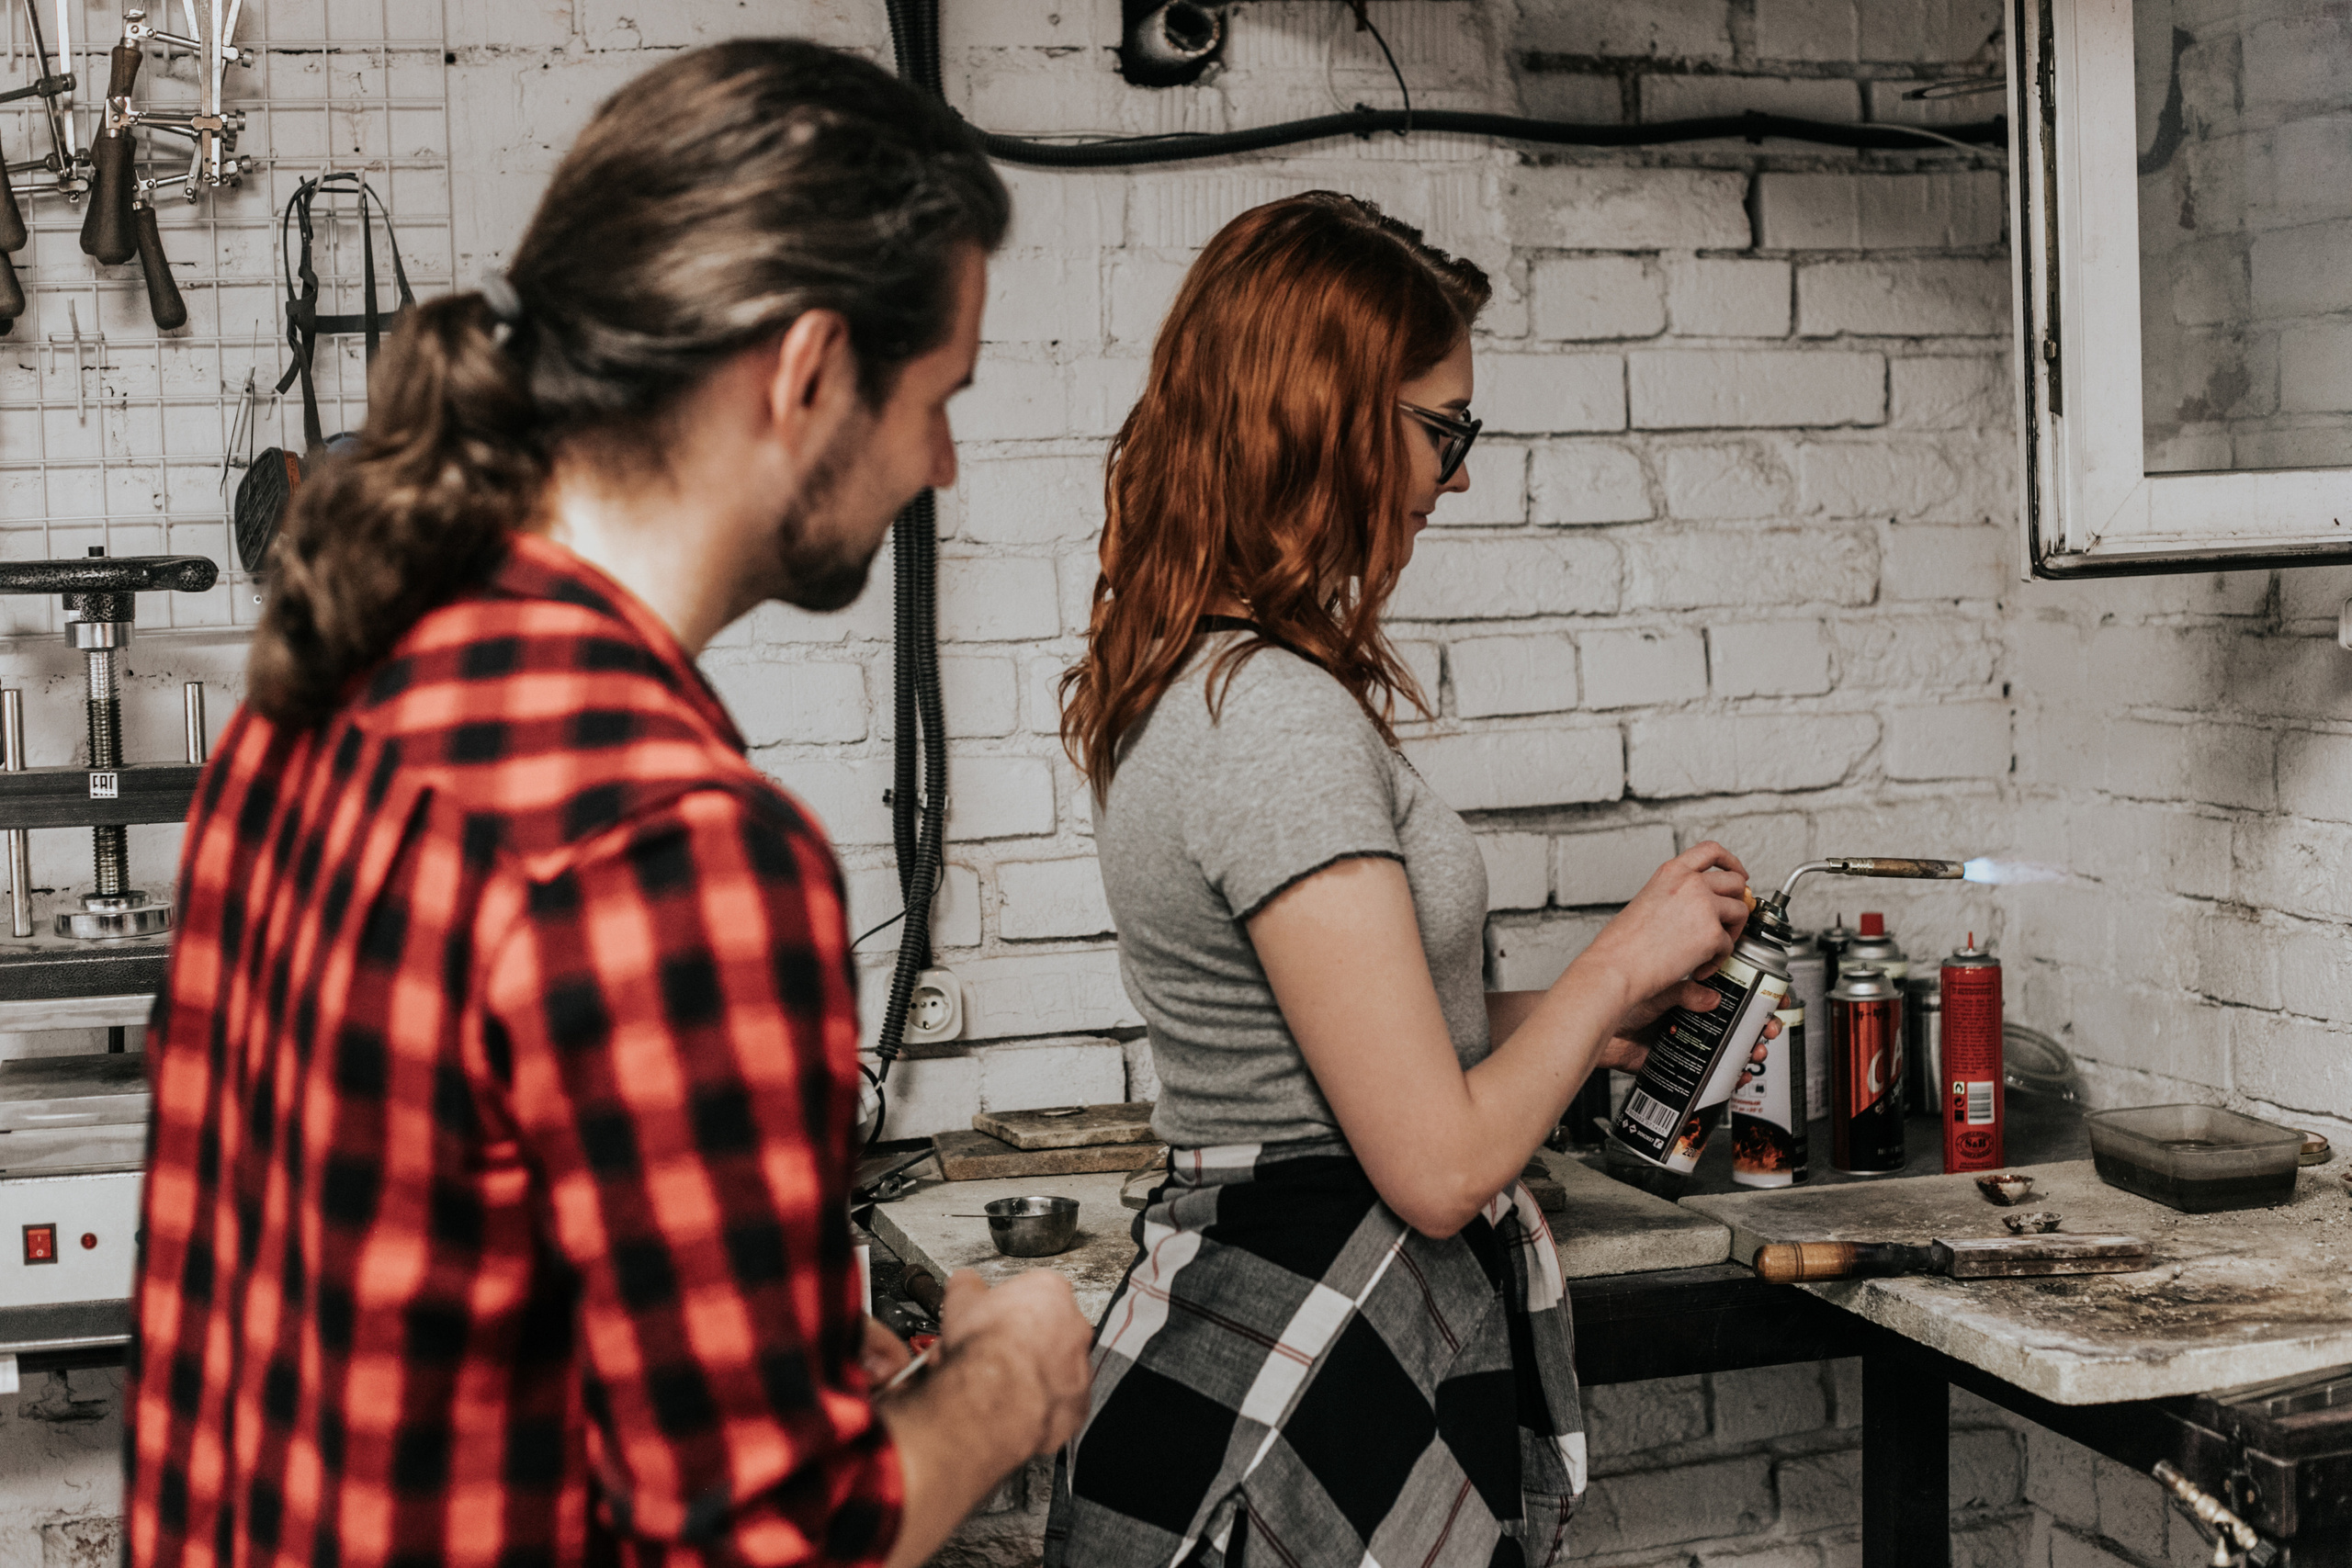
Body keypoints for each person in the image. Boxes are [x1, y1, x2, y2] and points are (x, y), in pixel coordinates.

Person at [128, 40, 1091, 1568]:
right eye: (939, 398)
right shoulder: (676, 849)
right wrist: (1004, 1378)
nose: (946, 463)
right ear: (809, 371)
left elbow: (390, 1318)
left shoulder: (320, 692)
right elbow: (776, 1551)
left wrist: (785, 1380)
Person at [1049, 192, 1764, 1568]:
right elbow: (1434, 1165)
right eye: (1446, 430)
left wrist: (1564, 1028)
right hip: (1297, 1376)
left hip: (1278, 1342)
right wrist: (1621, 954)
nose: (1459, 476)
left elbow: (1341, 1042)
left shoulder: (1206, 681)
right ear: (1329, 416)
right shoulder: (1270, 719)